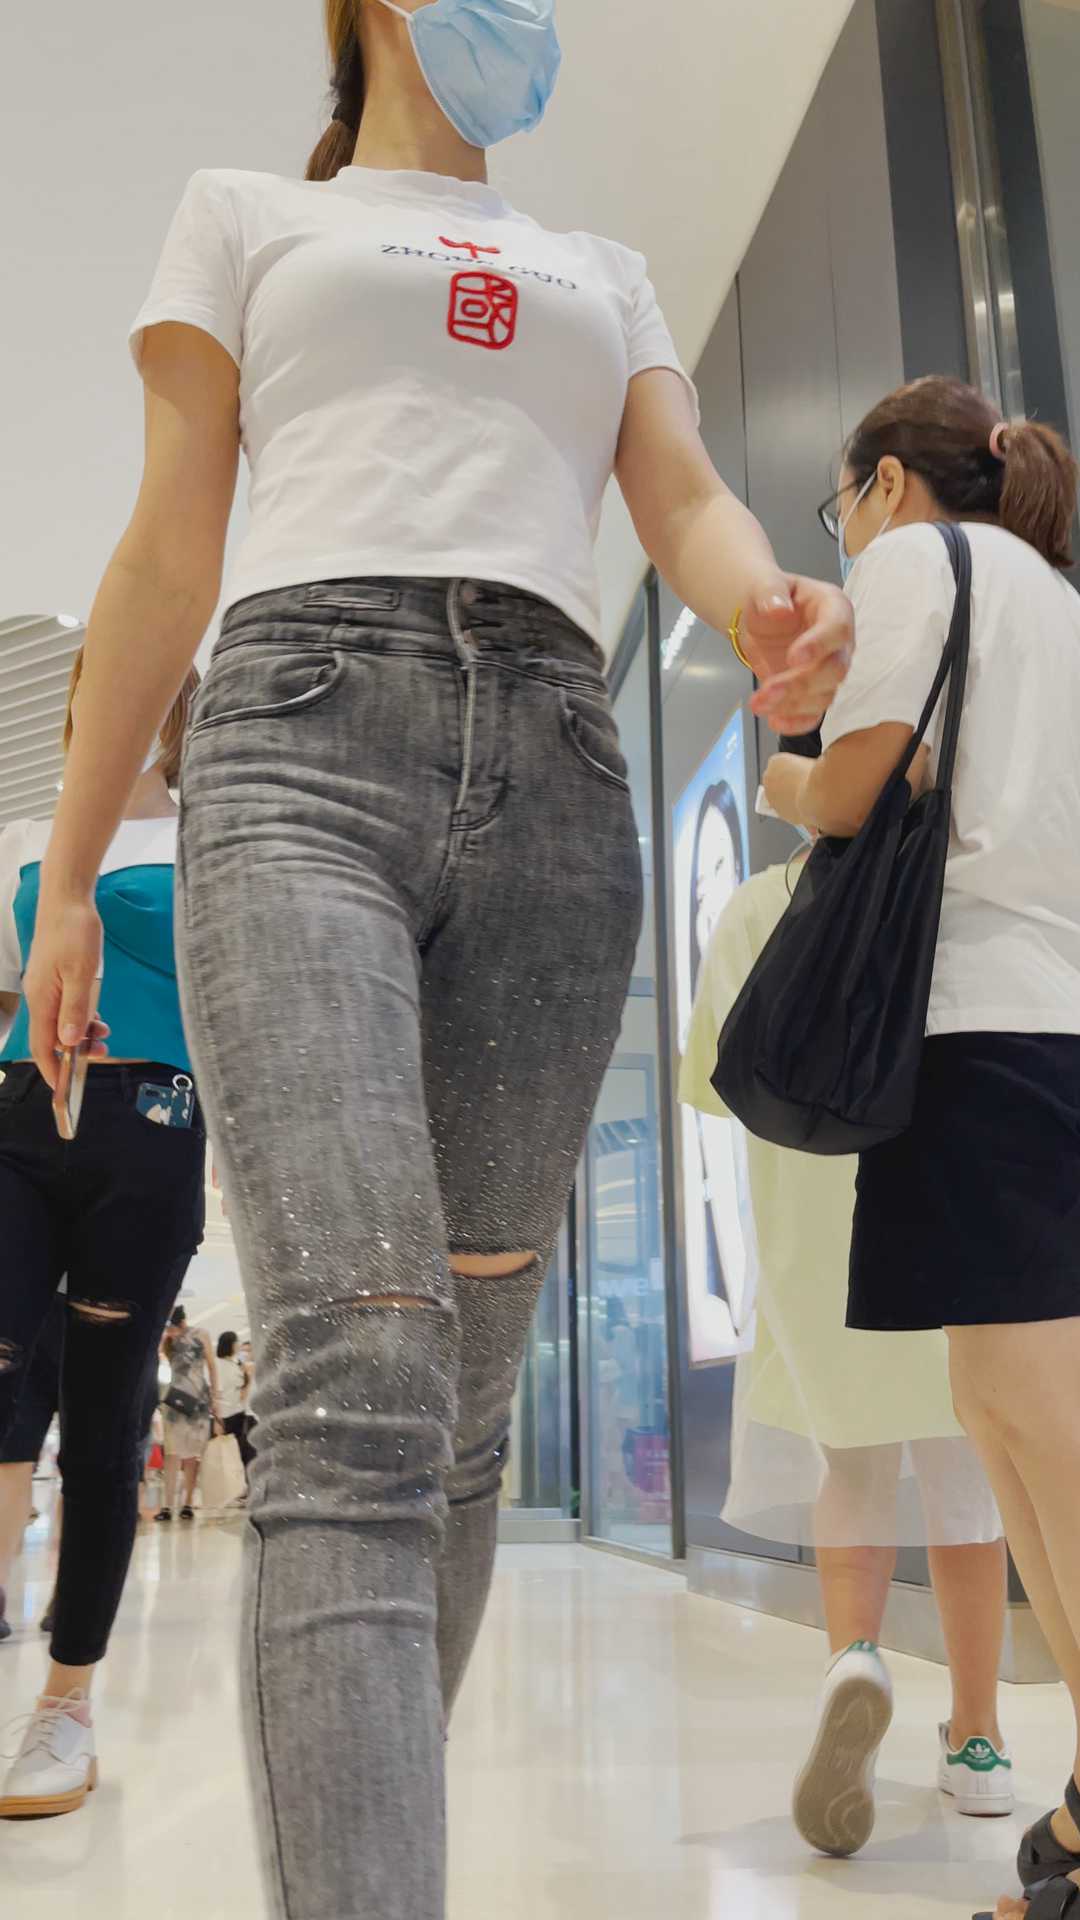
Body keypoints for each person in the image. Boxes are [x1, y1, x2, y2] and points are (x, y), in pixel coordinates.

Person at [21, 2, 853, 1908]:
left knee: (465, 1405)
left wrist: (764, 602)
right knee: (361, 1373)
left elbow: (680, 494)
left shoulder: (602, 265)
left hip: (560, 773)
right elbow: (169, 548)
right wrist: (66, 878)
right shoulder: (248, 212)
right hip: (297, 745)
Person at [763, 374, 1080, 1920]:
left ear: (886, 482)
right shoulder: (1049, 602)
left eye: (842, 499)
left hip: (981, 1028)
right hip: (1045, 1016)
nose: (846, 526)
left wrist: (780, 768)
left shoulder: (920, 562)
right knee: (998, 1408)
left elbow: (853, 787)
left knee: (1035, 1419)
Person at [681, 848, 1012, 1858]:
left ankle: (855, 1659)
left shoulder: (756, 907)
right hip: (950, 1214)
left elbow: (716, 1085)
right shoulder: (950, 885)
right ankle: (979, 1741)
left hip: (818, 1242)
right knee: (970, 1488)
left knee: (854, 1472)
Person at [0, 659, 206, 1819]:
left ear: (177, 712)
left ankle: (67, 1702)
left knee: (105, 1418)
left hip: (156, 1122)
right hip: (21, 1115)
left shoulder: (207, 838)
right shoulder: (27, 838)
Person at [0, 1295, 65, 1642]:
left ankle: (69, 1592)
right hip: (104, 1304)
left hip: (28, 1302)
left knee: (13, 1457)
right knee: (91, 1467)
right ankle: (70, 1594)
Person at [158, 1307, 221, 1521]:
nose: (172, 1330)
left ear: (183, 1322)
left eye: (174, 1326)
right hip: (174, 1400)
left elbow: (212, 1366)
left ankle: (187, 1503)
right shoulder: (166, 1339)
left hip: (198, 1400)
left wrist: (216, 1399)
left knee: (192, 1454)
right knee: (171, 1454)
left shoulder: (201, 1334)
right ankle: (167, 1506)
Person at [215, 1329, 255, 1474]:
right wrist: (217, 1419)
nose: (239, 1344)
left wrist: (247, 1375)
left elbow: (241, 1392)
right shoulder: (218, 1365)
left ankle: (240, 1481)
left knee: (240, 1452)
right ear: (230, 1344)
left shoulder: (236, 1364)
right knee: (228, 1453)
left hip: (238, 1412)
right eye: (236, 1342)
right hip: (225, 1415)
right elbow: (216, 1392)